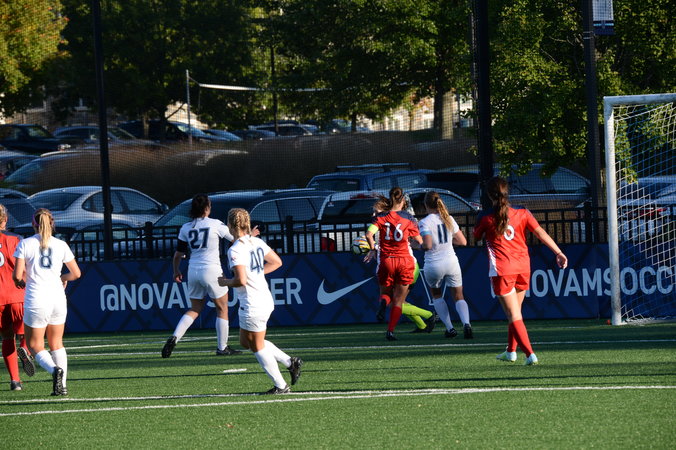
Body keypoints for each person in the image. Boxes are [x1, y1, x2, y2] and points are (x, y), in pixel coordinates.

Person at [474, 177, 567, 365]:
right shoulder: (522, 212)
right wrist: (558, 252)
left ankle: (530, 354)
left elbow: (475, 237)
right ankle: (510, 351)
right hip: (523, 267)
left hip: (502, 269)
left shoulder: (485, 216)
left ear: (489, 195)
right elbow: (540, 232)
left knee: (513, 315)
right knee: (516, 312)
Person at [218, 208, 302, 394]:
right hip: (262, 298)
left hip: (252, 302)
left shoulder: (235, 249)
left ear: (230, 225)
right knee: (245, 342)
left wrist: (225, 282)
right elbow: (276, 262)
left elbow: (240, 280)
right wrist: (256, 274)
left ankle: (281, 385)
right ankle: (290, 362)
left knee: (257, 346)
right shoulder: (255, 241)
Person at [162, 194, 242, 358]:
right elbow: (236, 239)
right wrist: (250, 236)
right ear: (207, 208)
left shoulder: (186, 227)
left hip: (193, 271)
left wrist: (176, 271)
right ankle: (222, 348)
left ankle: (175, 337)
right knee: (222, 308)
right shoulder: (215, 224)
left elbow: (178, 255)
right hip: (212, 270)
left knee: (195, 308)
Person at [12, 208, 81, 395]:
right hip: (58, 298)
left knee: (34, 345)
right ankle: (62, 386)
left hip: (37, 298)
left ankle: (54, 370)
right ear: (52, 223)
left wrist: (22, 282)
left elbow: (17, 276)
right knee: (57, 343)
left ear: (33, 224)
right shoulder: (61, 244)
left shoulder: (25, 244)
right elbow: (76, 273)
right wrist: (62, 278)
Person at [365, 187, 423, 341]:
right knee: (398, 301)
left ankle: (383, 303)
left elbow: (369, 234)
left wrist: (372, 249)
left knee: (386, 294)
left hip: (387, 260)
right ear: (402, 200)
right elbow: (419, 241)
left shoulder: (381, 217)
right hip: (404, 261)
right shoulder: (408, 218)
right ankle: (390, 331)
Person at [419, 191, 473, 339]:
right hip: (451, 262)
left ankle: (450, 329)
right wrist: (448, 242)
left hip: (434, 264)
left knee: (436, 295)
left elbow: (428, 245)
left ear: (426, 205)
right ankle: (466, 324)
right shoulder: (448, 218)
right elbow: (463, 241)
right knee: (459, 295)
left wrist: (418, 245)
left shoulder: (424, 222)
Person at [0, 204, 34, 391]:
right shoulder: (16, 240)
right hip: (17, 294)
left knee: (7, 337)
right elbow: (25, 268)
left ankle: (15, 381)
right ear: (5, 219)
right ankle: (25, 350)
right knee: (27, 332)